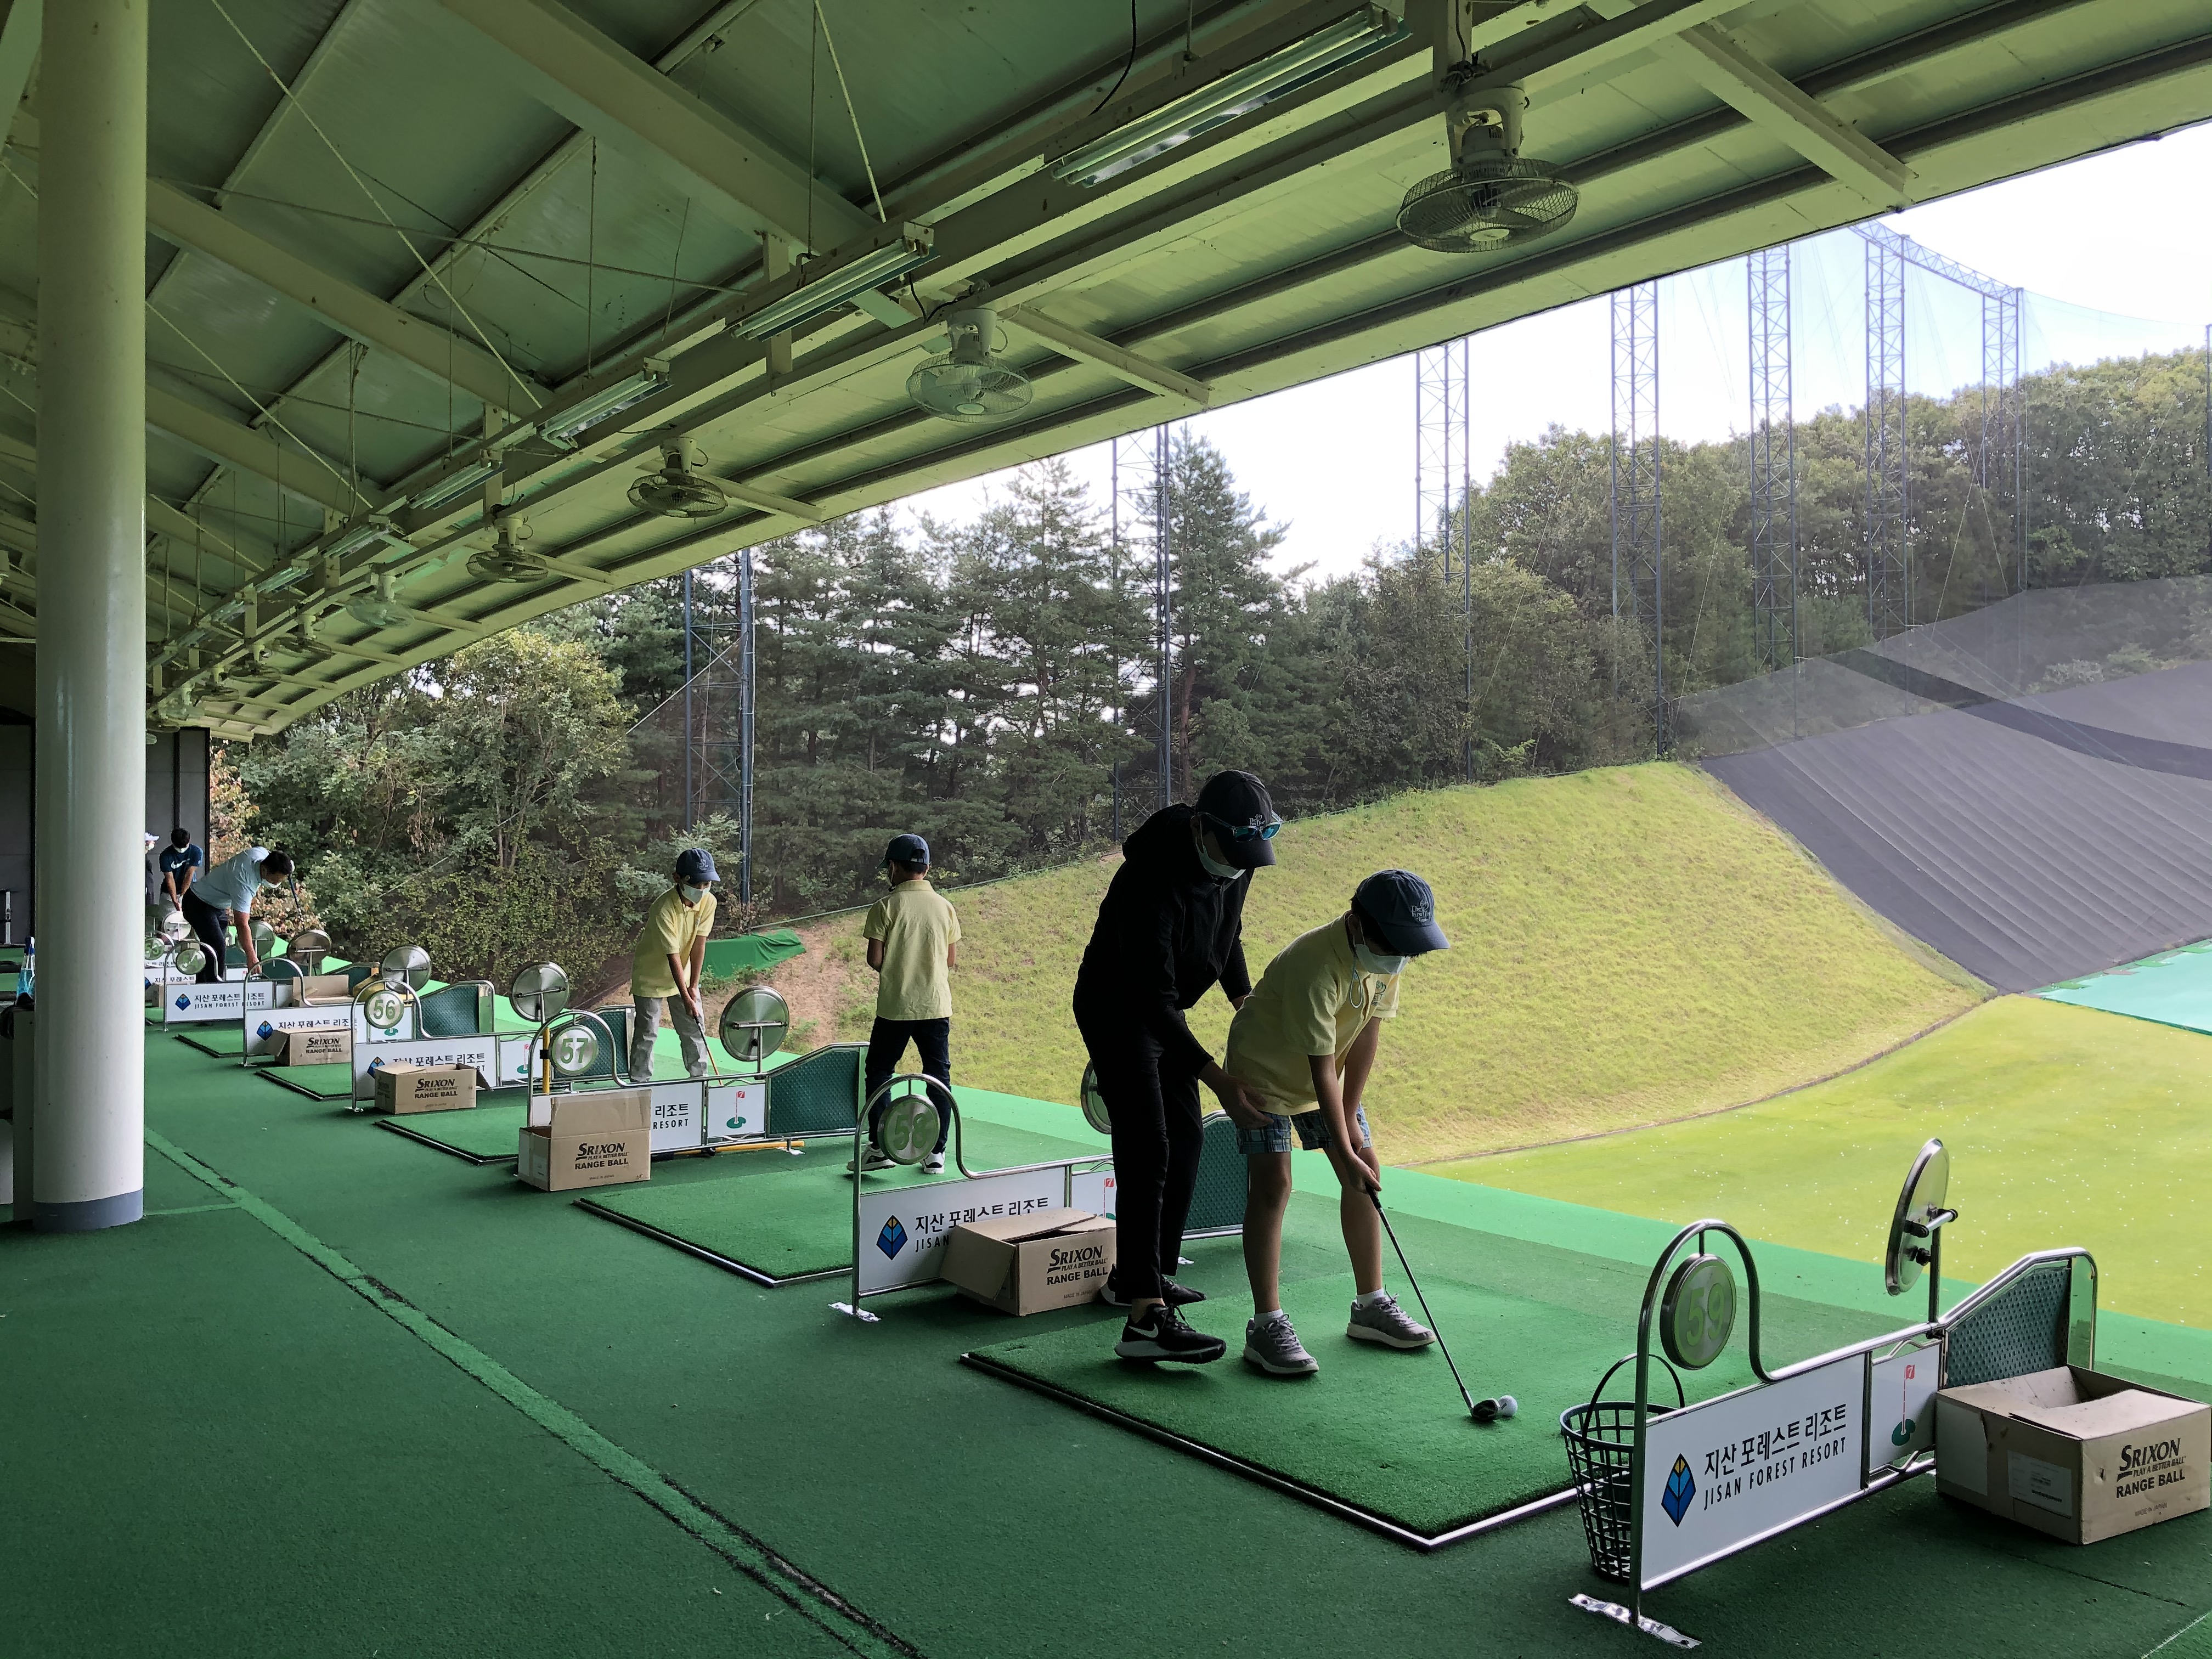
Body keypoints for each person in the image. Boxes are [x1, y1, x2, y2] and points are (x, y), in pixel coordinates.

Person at [1073, 769, 1278, 1365]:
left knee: (1186, 1137)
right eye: (1232, 853)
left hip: (1163, 1008)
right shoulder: (1150, 877)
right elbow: (1150, 1001)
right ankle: (1144, 1321)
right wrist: (1218, 1077)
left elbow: (1228, 935)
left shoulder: (1236, 861)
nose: (1239, 868)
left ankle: (1142, 1276)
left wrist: (1246, 1005)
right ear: (1201, 829)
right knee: (1148, 1145)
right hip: (1118, 1007)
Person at [1224, 870, 1451, 1375]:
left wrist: (1350, 1125)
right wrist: (1342, 1149)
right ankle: (1266, 1325)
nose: (1400, 957)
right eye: (1393, 945)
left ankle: (1371, 1305)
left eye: (1408, 949)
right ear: (1356, 923)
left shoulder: (1386, 954)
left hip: (1323, 1077)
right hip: (1264, 1075)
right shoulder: (1316, 965)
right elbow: (1319, 1064)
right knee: (1274, 1186)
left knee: (1365, 1169)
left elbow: (1367, 1033)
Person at [851, 833, 960, 1177]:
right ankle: (936, 1153)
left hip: (896, 1006)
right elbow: (950, 960)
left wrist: (899, 968)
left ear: (894, 868)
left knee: (880, 1072)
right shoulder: (945, 907)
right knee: (938, 1075)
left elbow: (875, 958)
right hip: (936, 1005)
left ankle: (880, 1147)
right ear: (926, 868)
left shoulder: (885, 907)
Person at [630, 847, 718, 1082]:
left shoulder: (709, 902)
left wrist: (694, 987)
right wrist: (686, 998)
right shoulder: (664, 908)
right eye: (696, 884)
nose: (702, 890)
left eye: (707, 884)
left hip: (684, 975)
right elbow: (673, 956)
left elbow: (699, 944)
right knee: (647, 1032)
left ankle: (700, 1081)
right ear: (677, 878)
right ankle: (639, 1082)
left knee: (694, 1028)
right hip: (651, 977)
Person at [184, 845, 295, 983]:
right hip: (197, 903)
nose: (277, 883)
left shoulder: (261, 854)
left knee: (210, 950)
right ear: (265, 870)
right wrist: (251, 956)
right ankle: (214, 988)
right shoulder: (244, 882)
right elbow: (242, 924)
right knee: (217, 947)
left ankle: (201, 987)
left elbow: (281, 860)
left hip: (217, 906)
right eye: (276, 880)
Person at [159, 828, 204, 912]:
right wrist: (175, 901)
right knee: (168, 919)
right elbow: (170, 879)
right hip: (169, 895)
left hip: (190, 893)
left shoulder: (197, 852)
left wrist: (182, 897)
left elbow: (189, 875)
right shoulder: (165, 856)